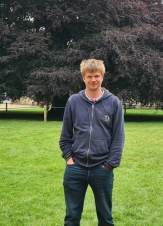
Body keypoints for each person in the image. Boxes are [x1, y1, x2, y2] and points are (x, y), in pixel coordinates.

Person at [59, 59, 125, 226]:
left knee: (106, 218)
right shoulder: (73, 101)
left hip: (102, 169)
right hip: (75, 169)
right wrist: (69, 159)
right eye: (89, 76)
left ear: (102, 77)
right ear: (83, 78)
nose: (93, 80)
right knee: (71, 218)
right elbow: (65, 136)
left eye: (97, 76)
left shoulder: (114, 102)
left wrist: (109, 165)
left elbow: (118, 138)